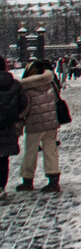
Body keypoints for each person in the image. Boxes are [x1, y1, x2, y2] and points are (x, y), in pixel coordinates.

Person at [15, 60, 61, 193]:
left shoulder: (26, 87)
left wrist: (20, 120)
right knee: (51, 150)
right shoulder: (50, 82)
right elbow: (57, 99)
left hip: (34, 123)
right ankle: (53, 179)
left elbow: (25, 107)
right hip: (51, 122)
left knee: (30, 152)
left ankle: (27, 180)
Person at [0, 58, 29, 197]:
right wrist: (13, 115)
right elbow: (24, 102)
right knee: (3, 159)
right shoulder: (14, 84)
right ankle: (1, 186)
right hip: (7, 126)